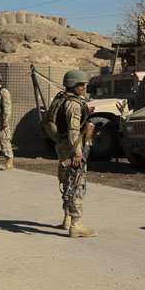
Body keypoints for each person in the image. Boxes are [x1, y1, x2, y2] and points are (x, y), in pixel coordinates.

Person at [55, 69, 96, 238]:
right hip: (72, 147)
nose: (83, 86)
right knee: (77, 183)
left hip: (63, 145)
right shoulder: (73, 104)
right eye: (80, 84)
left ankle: (66, 218)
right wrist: (78, 154)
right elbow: (73, 131)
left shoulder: (62, 99)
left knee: (67, 181)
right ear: (72, 85)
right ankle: (76, 224)